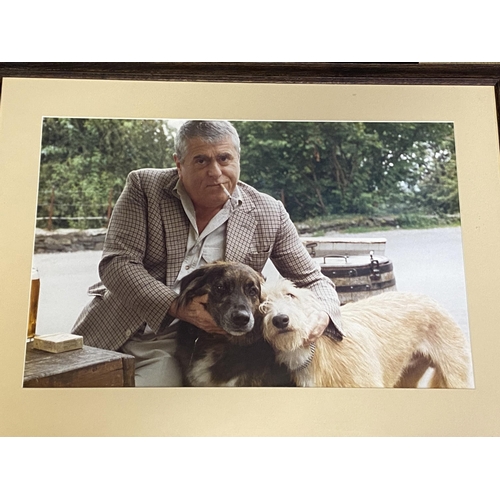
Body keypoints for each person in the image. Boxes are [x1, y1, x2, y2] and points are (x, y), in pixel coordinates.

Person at [71, 120, 343, 386]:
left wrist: (323, 314)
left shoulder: (269, 212)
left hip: (192, 343)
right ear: (179, 164)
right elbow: (116, 263)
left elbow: (313, 280)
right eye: (201, 160)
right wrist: (179, 307)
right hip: (118, 324)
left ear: (238, 159)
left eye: (224, 159)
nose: (215, 172)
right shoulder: (144, 187)